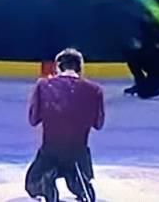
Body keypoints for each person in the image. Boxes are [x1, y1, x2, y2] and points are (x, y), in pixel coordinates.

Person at [25, 48, 104, 202]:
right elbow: (98, 123)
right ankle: (79, 183)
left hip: (50, 152)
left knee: (32, 185)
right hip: (78, 153)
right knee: (78, 176)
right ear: (80, 68)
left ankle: (46, 182)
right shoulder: (95, 90)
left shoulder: (43, 85)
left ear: (58, 67)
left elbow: (33, 119)